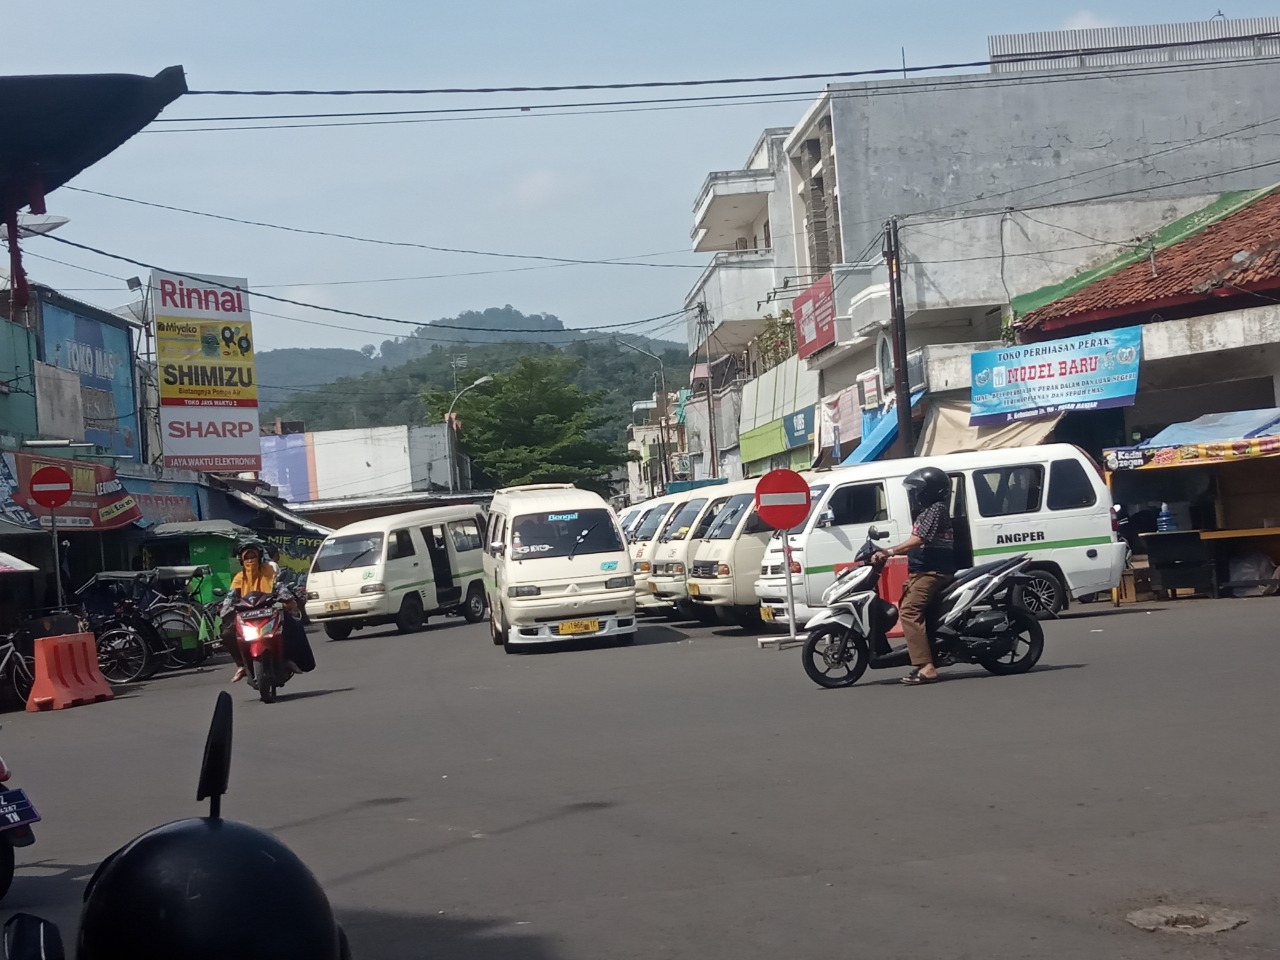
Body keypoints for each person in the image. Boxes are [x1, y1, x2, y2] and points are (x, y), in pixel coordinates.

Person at [874, 466, 956, 686]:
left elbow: (918, 540)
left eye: (918, 490)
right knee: (910, 606)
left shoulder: (936, 509)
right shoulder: (926, 511)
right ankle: (931, 654)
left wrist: (890, 552)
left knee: (909, 611)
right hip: (923, 572)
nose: (914, 494)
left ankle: (926, 667)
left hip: (933, 572)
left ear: (929, 491)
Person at [222, 540, 315, 682]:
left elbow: (279, 587)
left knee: (293, 626)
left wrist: (287, 600)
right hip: (245, 616)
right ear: (241, 560)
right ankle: (241, 665)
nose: (250, 560)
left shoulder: (269, 572)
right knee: (227, 634)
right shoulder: (239, 577)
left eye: (253, 556)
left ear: (260, 557)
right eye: (247, 557)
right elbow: (231, 596)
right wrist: (225, 609)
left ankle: (288, 659)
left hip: (269, 611)